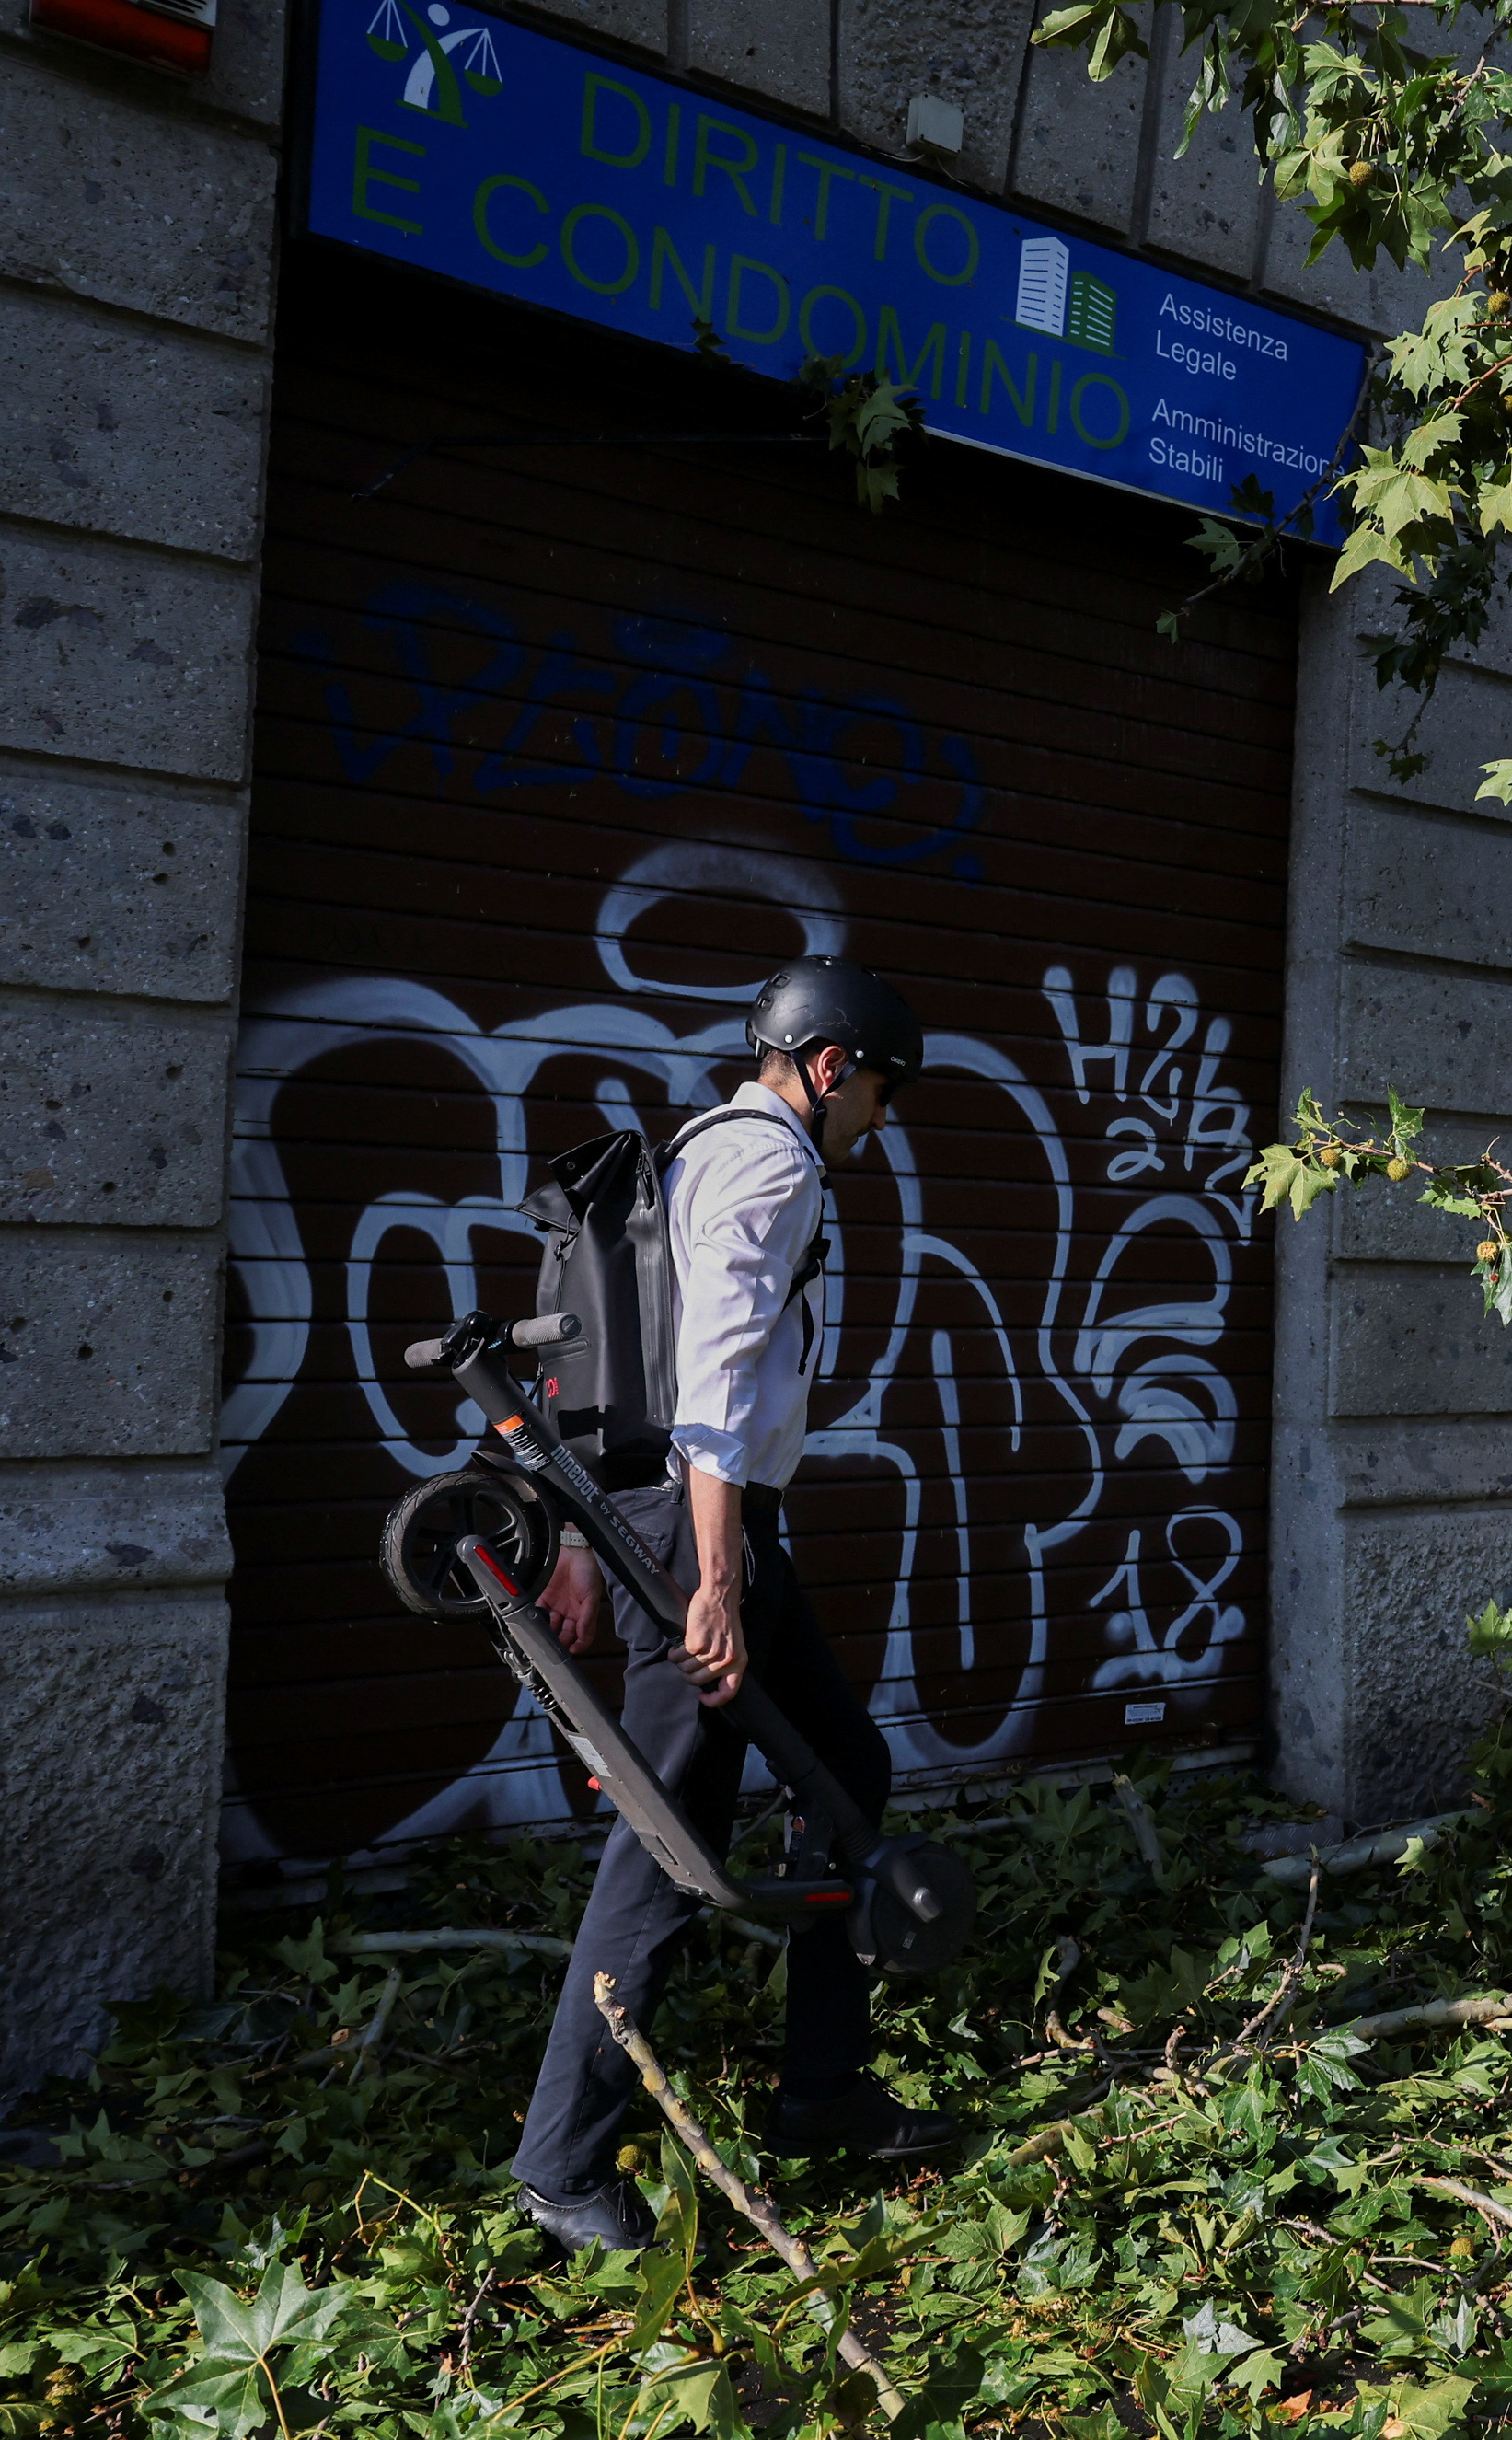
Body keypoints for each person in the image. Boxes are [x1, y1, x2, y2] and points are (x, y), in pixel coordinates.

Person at [508, 954, 954, 2255]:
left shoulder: (702, 1151)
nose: (887, 1116)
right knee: (671, 1841)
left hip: (698, 1522)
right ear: (829, 1069)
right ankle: (563, 2166)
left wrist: (643, 1542)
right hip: (705, 1535)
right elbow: (707, 1380)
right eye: (882, 1088)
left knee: (842, 1771)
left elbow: (644, 1368)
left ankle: (820, 2086)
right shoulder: (768, 1165)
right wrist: (709, 1579)